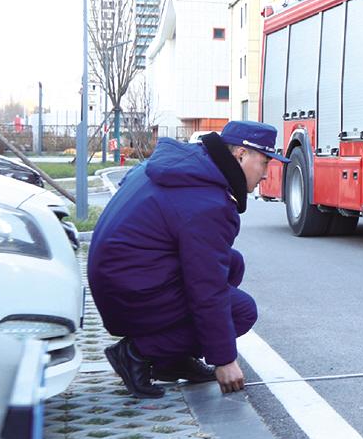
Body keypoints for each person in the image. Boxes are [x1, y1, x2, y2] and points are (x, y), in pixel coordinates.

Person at [88, 121, 289, 398]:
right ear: (241, 155)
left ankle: (171, 361)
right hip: (129, 290)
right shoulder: (207, 201)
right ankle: (136, 353)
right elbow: (206, 288)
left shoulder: (188, 168)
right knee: (241, 312)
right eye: (265, 163)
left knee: (233, 263)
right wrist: (224, 359)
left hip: (118, 277)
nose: (266, 174)